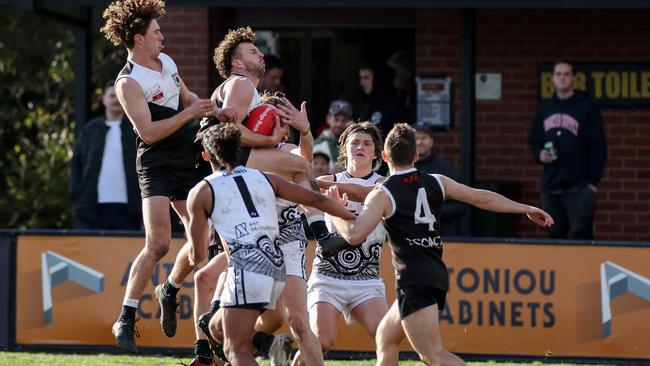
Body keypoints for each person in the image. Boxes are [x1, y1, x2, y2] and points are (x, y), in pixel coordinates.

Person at [323, 123, 554, 366]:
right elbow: (481, 197)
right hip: (434, 270)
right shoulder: (437, 181)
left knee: (432, 355)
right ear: (416, 155)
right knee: (385, 337)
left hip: (413, 277)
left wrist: (335, 209)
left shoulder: (383, 192)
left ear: (384, 156)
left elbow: (354, 235)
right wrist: (526, 208)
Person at [101, 0, 234, 353]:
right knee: (159, 242)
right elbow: (147, 133)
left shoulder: (168, 63)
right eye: (156, 32)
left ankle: (170, 288)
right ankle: (126, 317)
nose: (163, 36)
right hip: (156, 163)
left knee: (203, 241)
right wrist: (188, 113)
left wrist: (214, 110)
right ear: (137, 38)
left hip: (186, 157)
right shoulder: (128, 82)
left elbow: (186, 96)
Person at [186, 123, 355, 366]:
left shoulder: (202, 190)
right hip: (276, 266)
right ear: (240, 149)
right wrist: (353, 216)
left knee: (235, 350)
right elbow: (314, 198)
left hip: (247, 267)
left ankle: (267, 343)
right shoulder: (265, 177)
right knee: (215, 326)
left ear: (207, 155)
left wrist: (192, 255)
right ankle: (268, 343)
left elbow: (198, 253)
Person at [295, 122, 387, 365]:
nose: (360, 147)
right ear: (344, 149)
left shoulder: (386, 186)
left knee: (386, 337)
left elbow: (360, 193)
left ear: (377, 153)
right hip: (328, 276)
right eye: (354, 142)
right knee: (322, 342)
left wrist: (322, 191)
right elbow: (299, 197)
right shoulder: (326, 180)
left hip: (366, 278)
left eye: (367, 144)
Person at [528, 60, 607, 240]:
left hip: (579, 187)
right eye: (558, 74)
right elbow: (534, 141)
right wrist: (540, 155)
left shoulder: (587, 107)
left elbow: (599, 146)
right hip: (551, 186)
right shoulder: (545, 108)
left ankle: (584, 269)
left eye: (566, 74)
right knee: (554, 235)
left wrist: (592, 184)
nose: (562, 78)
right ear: (553, 78)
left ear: (574, 78)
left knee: (582, 235)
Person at [69, 80, 141, 230]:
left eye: (119, 96)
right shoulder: (91, 129)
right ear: (103, 99)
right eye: (111, 96)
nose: (115, 100)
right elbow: (76, 162)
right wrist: (75, 192)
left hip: (129, 207)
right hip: (92, 207)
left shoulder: (136, 130)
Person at [413, 125, 466, 236]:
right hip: (406, 235)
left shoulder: (446, 169)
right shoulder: (401, 167)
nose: (419, 142)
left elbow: (460, 206)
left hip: (440, 236)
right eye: (416, 138)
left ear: (431, 141)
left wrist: (430, 211)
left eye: (423, 138)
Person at [357, 62, 400, 138]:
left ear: (377, 78)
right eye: (361, 78)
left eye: (366, 78)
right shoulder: (364, 104)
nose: (362, 83)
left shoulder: (394, 105)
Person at [313, 99, 354, 172]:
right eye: (336, 119)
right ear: (328, 119)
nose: (339, 124)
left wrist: (354, 132)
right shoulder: (315, 145)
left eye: (344, 120)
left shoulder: (355, 145)